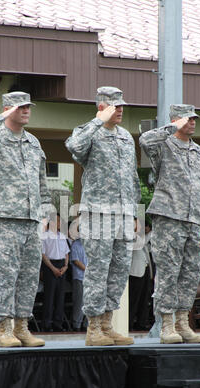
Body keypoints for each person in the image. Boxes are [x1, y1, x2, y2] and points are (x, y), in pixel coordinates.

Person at [0, 91, 52, 347]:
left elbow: (42, 183)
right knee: (7, 275)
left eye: (28, 107)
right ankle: (4, 330)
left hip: (32, 219)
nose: (26, 110)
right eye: (20, 107)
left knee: (28, 276)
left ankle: (22, 327)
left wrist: (46, 215)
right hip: (5, 218)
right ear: (7, 109)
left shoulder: (34, 142)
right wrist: (0, 117)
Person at [65, 86, 141, 346]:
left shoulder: (125, 137)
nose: (120, 110)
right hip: (98, 213)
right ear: (101, 107)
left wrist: (133, 212)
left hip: (122, 214)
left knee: (119, 270)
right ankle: (93, 327)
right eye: (114, 106)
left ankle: (108, 324)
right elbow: (73, 146)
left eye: (121, 106)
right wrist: (96, 122)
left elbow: (131, 177)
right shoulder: (89, 133)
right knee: (98, 269)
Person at [140, 104, 200, 344]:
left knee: (190, 273)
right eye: (188, 119)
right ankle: (166, 326)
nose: (193, 122)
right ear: (177, 120)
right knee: (169, 272)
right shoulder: (164, 145)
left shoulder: (198, 150)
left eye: (194, 119)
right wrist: (172, 127)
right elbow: (145, 140)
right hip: (170, 217)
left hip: (194, 220)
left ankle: (183, 323)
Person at [41, 213, 70, 331]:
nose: (59, 224)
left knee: (60, 296)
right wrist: (52, 268)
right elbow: (43, 255)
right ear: (51, 222)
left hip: (61, 265)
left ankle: (58, 323)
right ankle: (46, 323)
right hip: (50, 266)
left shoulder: (62, 236)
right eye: (58, 221)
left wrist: (66, 266)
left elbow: (66, 253)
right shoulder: (45, 236)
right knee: (49, 296)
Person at [129, 222, 154, 331]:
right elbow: (140, 243)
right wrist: (152, 231)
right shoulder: (132, 236)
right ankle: (129, 323)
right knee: (134, 299)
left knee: (145, 299)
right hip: (135, 272)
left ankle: (141, 323)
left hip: (146, 269)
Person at [70, 226, 88, 331]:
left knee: (88, 301)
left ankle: (86, 324)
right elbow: (76, 261)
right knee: (79, 302)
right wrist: (88, 270)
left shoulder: (89, 245)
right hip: (79, 277)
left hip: (89, 278)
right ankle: (77, 324)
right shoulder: (76, 244)